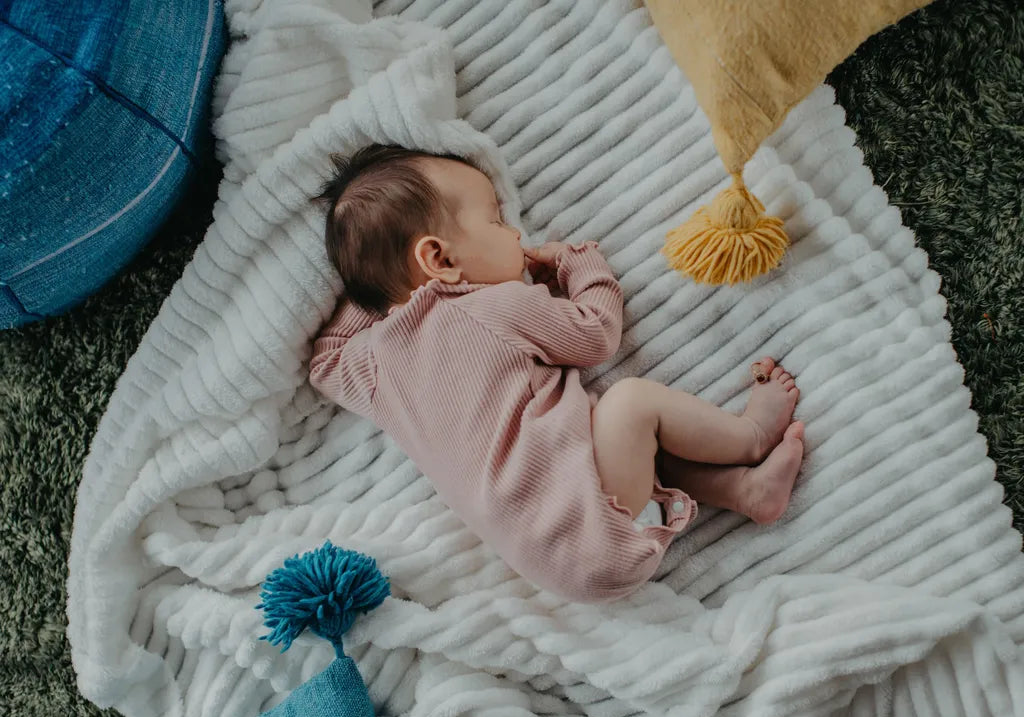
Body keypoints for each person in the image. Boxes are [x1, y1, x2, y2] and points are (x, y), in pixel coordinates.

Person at [308, 144, 805, 603]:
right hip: (596, 529)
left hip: (558, 563)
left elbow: (324, 359)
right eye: (497, 221)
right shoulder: (491, 306)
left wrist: (377, 279)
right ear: (439, 258)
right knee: (628, 405)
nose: (516, 234)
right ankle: (751, 437)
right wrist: (579, 266)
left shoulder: (372, 364)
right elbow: (596, 334)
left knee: (594, 439)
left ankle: (744, 492)